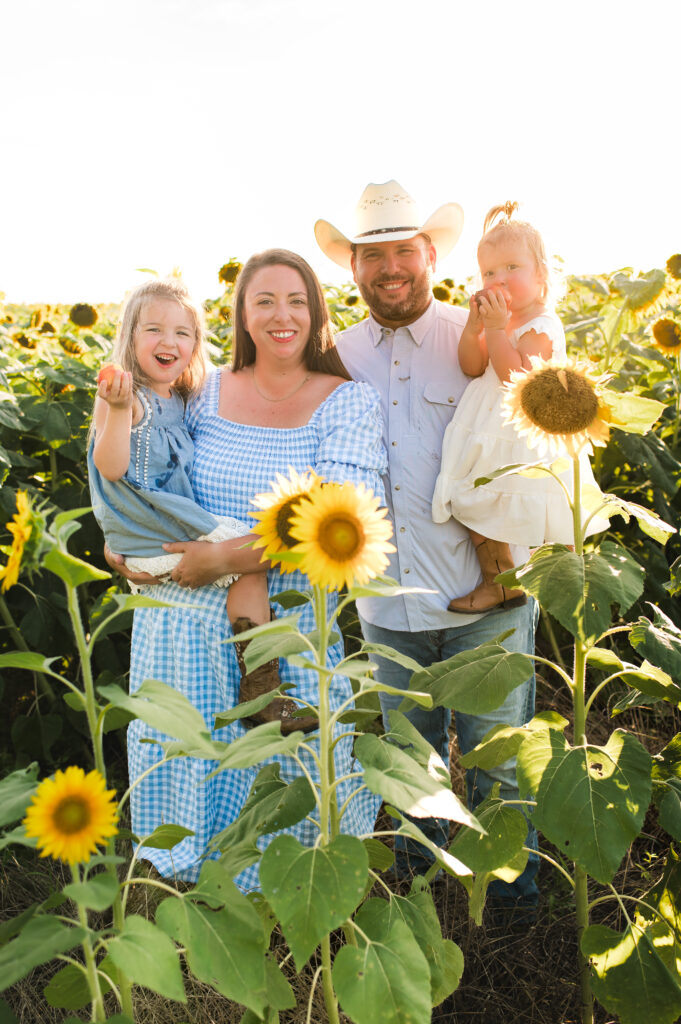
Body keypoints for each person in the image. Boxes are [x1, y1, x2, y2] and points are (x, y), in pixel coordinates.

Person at [106, 250, 386, 888]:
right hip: (180, 622)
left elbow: (339, 520)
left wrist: (226, 559)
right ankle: (183, 895)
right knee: (188, 763)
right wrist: (123, 540)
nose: (281, 315)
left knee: (285, 775)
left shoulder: (347, 403)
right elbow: (149, 472)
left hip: (283, 629)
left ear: (316, 310)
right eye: (264, 301)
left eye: (295, 300)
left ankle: (294, 897)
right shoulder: (202, 390)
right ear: (241, 314)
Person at [315, 181, 539, 907]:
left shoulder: (476, 334)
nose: (389, 268)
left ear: (430, 254)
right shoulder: (334, 357)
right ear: (352, 268)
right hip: (385, 610)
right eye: (371, 255)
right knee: (409, 772)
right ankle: (426, 907)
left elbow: (536, 436)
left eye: (403, 251)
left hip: (487, 606)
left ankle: (511, 917)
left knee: (500, 774)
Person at [88, 278, 289, 729]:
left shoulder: (177, 397)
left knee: (242, 551)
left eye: (183, 333)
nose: (169, 341)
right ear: (130, 337)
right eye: (153, 330)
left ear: (197, 343)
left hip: (164, 522)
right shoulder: (127, 399)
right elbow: (112, 466)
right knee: (248, 559)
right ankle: (261, 685)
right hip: (151, 526)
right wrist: (117, 411)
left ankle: (260, 679)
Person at [431, 202, 608, 613]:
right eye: (489, 272)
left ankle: (557, 582)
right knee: (472, 499)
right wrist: (475, 329)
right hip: (487, 430)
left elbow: (517, 379)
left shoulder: (542, 325)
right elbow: (472, 366)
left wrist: (495, 329)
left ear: (542, 275)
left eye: (512, 268)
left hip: (522, 438)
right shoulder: (502, 321)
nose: (499, 280)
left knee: (530, 506)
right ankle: (500, 579)